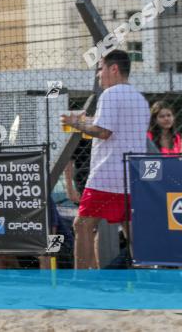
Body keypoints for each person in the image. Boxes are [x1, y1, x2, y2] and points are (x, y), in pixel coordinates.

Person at [61, 50, 150, 269]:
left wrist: (76, 124)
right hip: (132, 176)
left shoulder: (110, 94)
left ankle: (81, 281)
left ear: (114, 69)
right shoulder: (140, 99)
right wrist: (87, 120)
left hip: (106, 176)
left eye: (101, 69)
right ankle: (147, 274)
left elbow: (103, 132)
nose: (99, 75)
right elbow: (118, 128)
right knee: (133, 231)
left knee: (81, 225)